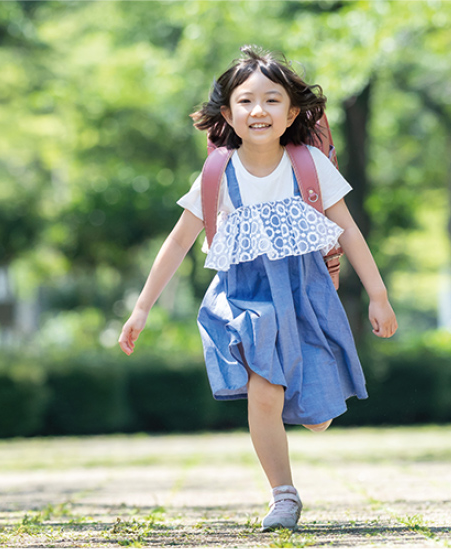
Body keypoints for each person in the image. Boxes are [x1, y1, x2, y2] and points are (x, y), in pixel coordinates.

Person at [118, 45, 397, 531]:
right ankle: (283, 495)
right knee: (263, 392)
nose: (258, 110)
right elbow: (179, 240)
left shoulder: (310, 165)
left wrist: (379, 294)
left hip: (306, 297)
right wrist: (142, 308)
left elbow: (349, 230)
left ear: (291, 113)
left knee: (317, 414)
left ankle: (309, 411)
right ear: (228, 114)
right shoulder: (217, 174)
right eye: (245, 101)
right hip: (246, 301)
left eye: (272, 100)